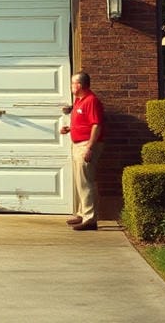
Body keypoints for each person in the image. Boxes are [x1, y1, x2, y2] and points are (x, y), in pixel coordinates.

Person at [60, 71, 105, 231]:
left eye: (73, 83)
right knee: (80, 181)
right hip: (78, 144)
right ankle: (81, 213)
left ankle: (90, 218)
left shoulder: (91, 101)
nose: (71, 86)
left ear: (79, 85)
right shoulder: (80, 101)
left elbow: (96, 125)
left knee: (86, 181)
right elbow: (85, 123)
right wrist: (70, 129)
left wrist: (89, 147)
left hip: (86, 145)